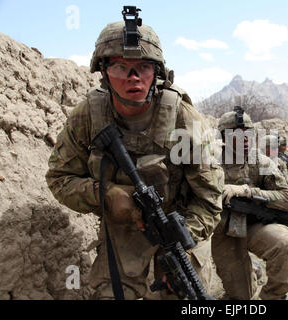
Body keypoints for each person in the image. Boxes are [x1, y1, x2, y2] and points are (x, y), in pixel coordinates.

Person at [45, 8, 223, 300]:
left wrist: (180, 241)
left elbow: (210, 199)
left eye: (143, 67)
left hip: (182, 224)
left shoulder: (184, 119)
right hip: (124, 231)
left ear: (157, 73)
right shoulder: (88, 116)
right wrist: (105, 194)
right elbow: (59, 178)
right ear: (103, 72)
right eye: (120, 67)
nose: (133, 78)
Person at [211, 108, 288, 300]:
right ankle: (252, 272)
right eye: (238, 134)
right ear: (224, 136)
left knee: (283, 242)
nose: (246, 138)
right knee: (240, 297)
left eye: (248, 133)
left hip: (253, 226)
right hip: (223, 232)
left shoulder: (260, 161)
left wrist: (248, 192)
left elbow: (287, 199)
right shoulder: (211, 163)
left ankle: (272, 297)